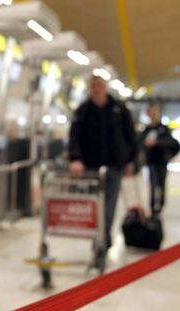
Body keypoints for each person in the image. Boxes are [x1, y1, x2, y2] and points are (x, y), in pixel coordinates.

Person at [69, 76, 137, 252]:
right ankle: (98, 237)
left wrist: (131, 160)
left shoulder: (119, 109)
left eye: (100, 86)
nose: (97, 89)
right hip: (91, 167)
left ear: (105, 87)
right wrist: (75, 158)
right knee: (93, 206)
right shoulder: (83, 110)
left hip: (115, 165)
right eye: (93, 86)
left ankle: (102, 240)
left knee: (109, 207)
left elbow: (130, 136)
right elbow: (74, 136)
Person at [139, 104, 179, 215]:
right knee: (152, 184)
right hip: (151, 161)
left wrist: (158, 143)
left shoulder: (164, 129)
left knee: (161, 184)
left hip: (162, 161)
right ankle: (152, 208)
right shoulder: (147, 129)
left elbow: (173, 143)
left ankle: (160, 206)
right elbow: (139, 142)